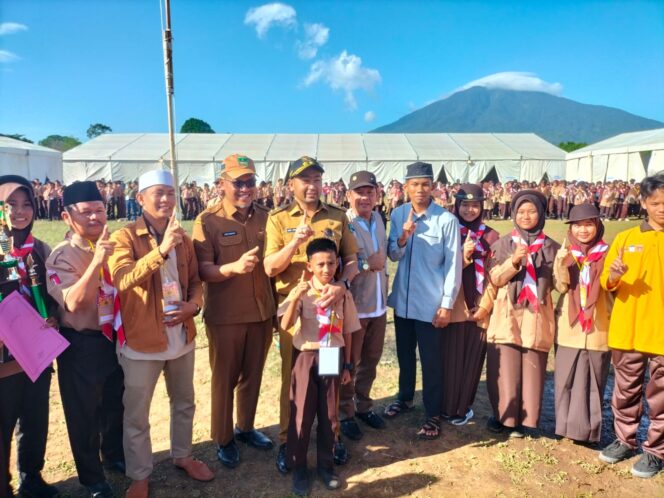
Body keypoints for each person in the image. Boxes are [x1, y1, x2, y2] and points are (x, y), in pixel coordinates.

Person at [108, 170, 214, 498]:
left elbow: (196, 280)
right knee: (137, 412)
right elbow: (122, 279)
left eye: (171, 192)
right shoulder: (124, 237)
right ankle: (139, 474)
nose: (167, 199)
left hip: (180, 336)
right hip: (142, 343)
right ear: (140, 199)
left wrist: (193, 307)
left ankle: (182, 455)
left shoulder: (180, 236)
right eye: (159, 193)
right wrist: (161, 250)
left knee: (184, 402)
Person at [264, 156, 358, 473]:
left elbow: (353, 260)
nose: (312, 185)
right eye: (305, 180)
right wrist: (294, 242)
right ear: (291, 185)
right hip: (296, 318)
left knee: (330, 381)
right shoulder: (278, 219)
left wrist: (343, 285)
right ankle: (287, 441)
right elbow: (270, 266)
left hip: (329, 318)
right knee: (295, 382)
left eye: (317, 179)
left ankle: (331, 440)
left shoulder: (336, 216)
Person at [192, 155, 276, 469]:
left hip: (261, 312)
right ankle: (223, 438)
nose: (245, 188)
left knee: (253, 376)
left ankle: (246, 426)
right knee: (224, 379)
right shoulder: (208, 220)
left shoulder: (268, 217)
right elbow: (202, 269)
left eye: (250, 182)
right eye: (237, 182)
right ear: (221, 184)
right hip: (225, 316)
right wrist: (232, 268)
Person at [45, 181, 125, 498]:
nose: (95, 218)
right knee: (83, 413)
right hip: (81, 343)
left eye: (100, 210)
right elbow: (75, 303)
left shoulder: (117, 244)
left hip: (115, 336)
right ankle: (92, 478)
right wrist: (96, 262)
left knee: (115, 403)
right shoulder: (61, 256)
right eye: (86, 212)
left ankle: (115, 455)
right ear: (67, 217)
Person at [385, 162, 462, 440]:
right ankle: (405, 398)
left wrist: (446, 304)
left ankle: (432, 414)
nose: (420, 189)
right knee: (405, 356)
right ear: (405, 187)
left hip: (431, 305)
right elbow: (393, 255)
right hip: (403, 302)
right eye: (414, 184)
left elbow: (454, 265)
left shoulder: (446, 220)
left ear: (433, 187)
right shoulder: (397, 214)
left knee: (431, 361)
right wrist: (404, 237)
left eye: (425, 184)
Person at [279, 238, 361, 496]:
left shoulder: (341, 293)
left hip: (331, 356)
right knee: (301, 414)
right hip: (307, 356)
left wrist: (347, 364)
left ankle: (326, 466)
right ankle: (299, 467)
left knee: (328, 414)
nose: (326, 269)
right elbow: (286, 324)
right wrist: (296, 297)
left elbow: (347, 331)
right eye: (321, 264)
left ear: (338, 264)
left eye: (331, 263)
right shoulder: (301, 291)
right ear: (309, 265)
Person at [598, 173, 664, 478]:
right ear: (644, 203)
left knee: (661, 396)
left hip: (660, 334)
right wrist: (614, 274)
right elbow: (607, 283)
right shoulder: (626, 238)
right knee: (625, 391)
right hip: (629, 330)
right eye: (656, 202)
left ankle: (655, 451)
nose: (662, 208)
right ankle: (624, 440)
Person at [0, 175, 59, 498]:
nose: (19, 212)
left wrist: (54, 316)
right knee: (3, 422)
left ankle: (31, 477)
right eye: (10, 205)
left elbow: (53, 293)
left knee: (35, 418)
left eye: (26, 205)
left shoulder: (39, 249)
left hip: (36, 352)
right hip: (5, 357)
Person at [485, 189, 561, 438]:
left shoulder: (552, 247)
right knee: (505, 365)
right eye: (520, 211)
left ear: (541, 213)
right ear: (513, 213)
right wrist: (514, 262)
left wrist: (563, 267)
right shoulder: (503, 243)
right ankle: (505, 419)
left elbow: (560, 285)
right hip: (508, 314)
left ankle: (529, 420)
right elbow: (495, 278)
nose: (526, 216)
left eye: (532, 211)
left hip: (536, 315)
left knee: (532, 366)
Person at [441, 184, 500, 426]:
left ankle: (463, 406)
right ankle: (446, 406)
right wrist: (463, 257)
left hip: (479, 303)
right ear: (456, 206)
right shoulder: (448, 230)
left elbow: (494, 275)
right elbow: (439, 269)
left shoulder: (492, 236)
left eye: (474, 205)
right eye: (464, 205)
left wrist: (485, 305)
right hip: (454, 304)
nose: (469, 209)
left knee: (473, 358)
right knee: (450, 357)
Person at [553, 204, 611, 444]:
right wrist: (562, 264)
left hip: (599, 325)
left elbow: (613, 287)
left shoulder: (610, 252)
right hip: (570, 324)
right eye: (577, 225)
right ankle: (565, 426)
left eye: (588, 224)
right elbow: (561, 287)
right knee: (566, 376)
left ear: (597, 225)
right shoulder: (566, 252)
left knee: (593, 378)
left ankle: (589, 430)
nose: (583, 230)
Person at [338, 171, 388, 441]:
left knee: (371, 360)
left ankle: (364, 406)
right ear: (348, 196)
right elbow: (339, 263)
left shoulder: (379, 219)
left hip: (378, 305)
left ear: (377, 195)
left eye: (369, 192)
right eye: (359, 192)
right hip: (355, 307)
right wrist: (368, 265)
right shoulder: (344, 223)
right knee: (350, 363)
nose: (365, 197)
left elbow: (385, 254)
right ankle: (345, 413)